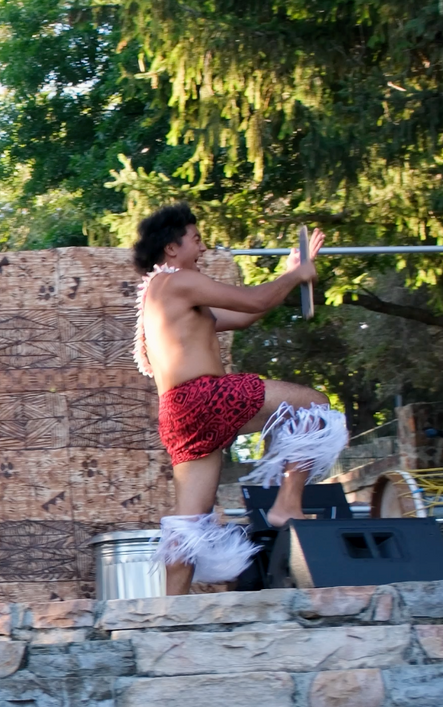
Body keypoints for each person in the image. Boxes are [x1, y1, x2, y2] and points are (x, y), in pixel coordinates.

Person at [132, 203, 348, 594]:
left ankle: (166, 617)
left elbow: (246, 316)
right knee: (315, 406)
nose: (203, 248)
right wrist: (299, 274)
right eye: (196, 240)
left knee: (188, 524)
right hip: (203, 397)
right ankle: (286, 505)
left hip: (178, 415)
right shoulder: (178, 280)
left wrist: (287, 273)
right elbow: (254, 300)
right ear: (170, 248)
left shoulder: (161, 295)